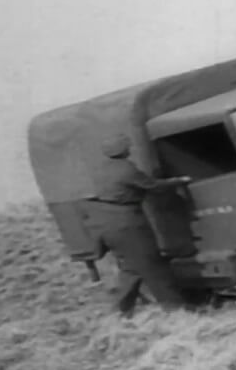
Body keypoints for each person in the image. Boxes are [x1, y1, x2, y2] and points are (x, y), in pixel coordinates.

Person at [82, 133, 192, 317]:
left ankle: (120, 312)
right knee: (153, 267)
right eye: (127, 146)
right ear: (122, 150)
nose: (130, 148)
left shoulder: (100, 170)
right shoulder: (126, 169)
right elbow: (152, 186)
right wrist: (179, 181)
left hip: (109, 224)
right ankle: (176, 311)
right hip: (128, 224)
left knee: (131, 269)